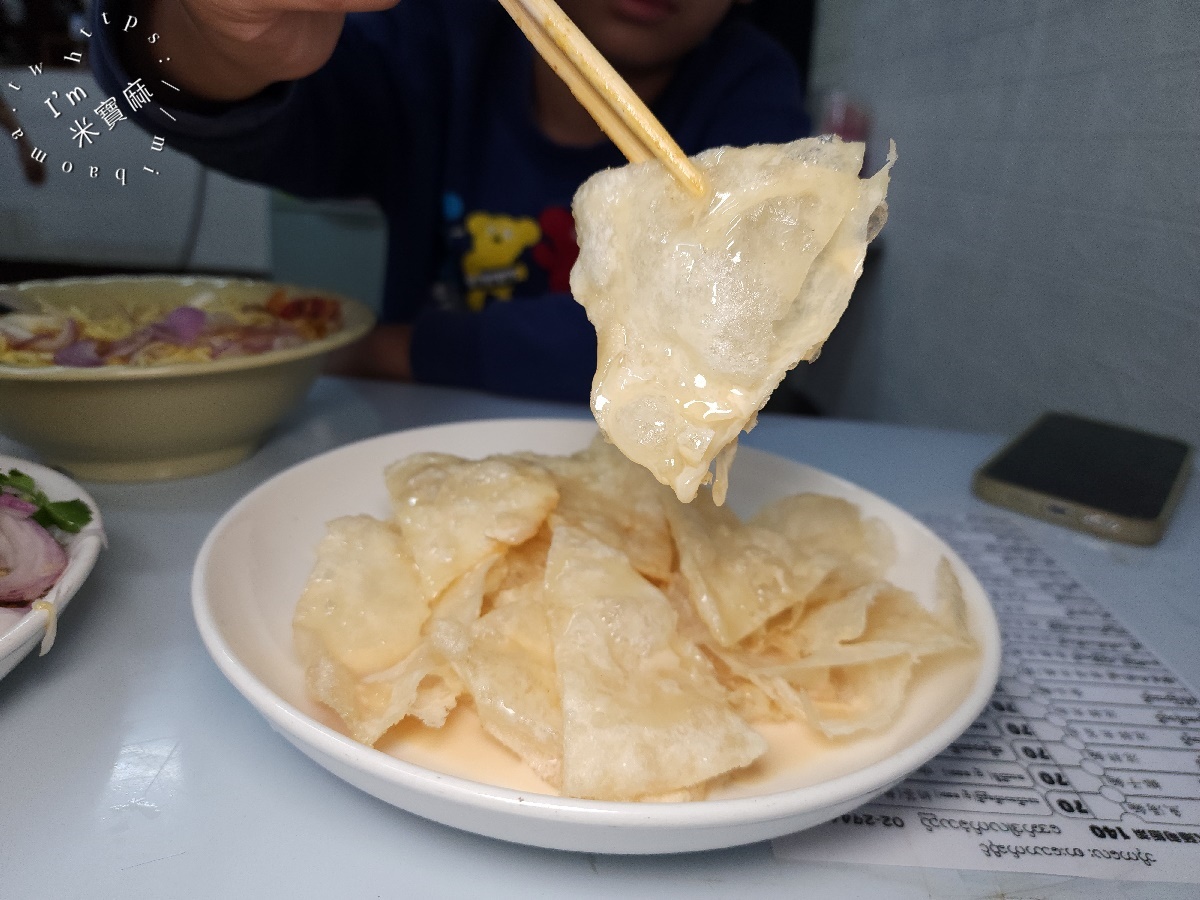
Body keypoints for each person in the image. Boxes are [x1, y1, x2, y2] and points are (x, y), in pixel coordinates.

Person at [90, 0, 808, 401]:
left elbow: (724, 325)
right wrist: (222, 34)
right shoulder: (441, 44)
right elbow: (256, 116)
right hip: (414, 446)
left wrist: (390, 351)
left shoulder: (752, 92)